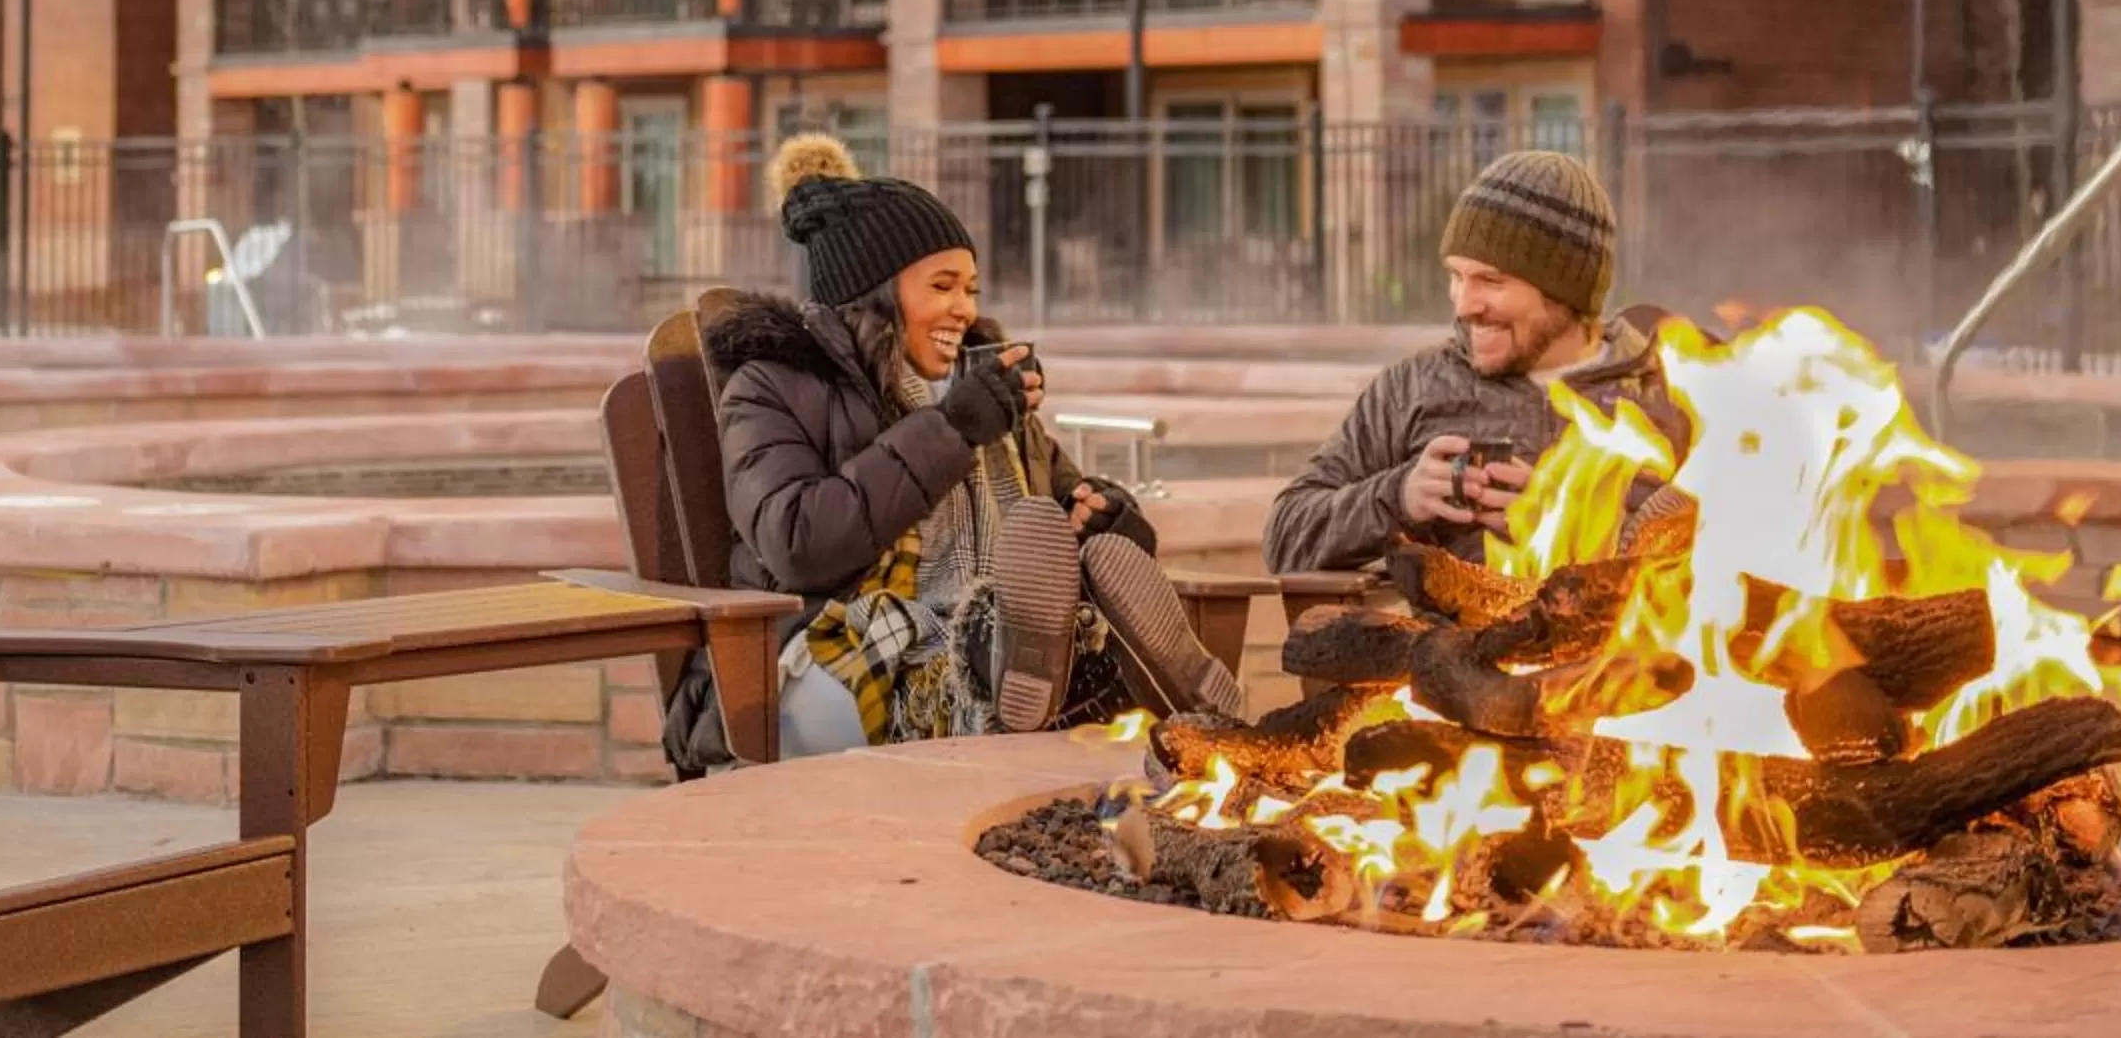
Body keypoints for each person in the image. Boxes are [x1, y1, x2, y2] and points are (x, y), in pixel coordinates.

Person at [675, 134, 1246, 766]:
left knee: (1080, 578)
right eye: (942, 286)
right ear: (875, 292)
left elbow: (1046, 530)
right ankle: (1019, 658)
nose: (963, 308)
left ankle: (1144, 681)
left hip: (993, 645)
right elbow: (799, 543)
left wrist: (1104, 514)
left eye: (971, 288)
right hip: (826, 653)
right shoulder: (775, 383)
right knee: (985, 639)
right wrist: (951, 429)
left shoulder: (979, 388)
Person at [1264, 149, 1686, 573]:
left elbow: (1733, 565)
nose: (1464, 305)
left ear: (1566, 291)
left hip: (1629, 640)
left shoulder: (1669, 393)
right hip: (1443, 640)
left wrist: (1576, 523)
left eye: (1491, 281)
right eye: (1456, 276)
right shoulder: (1414, 389)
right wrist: (1399, 496)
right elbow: (1286, 537)